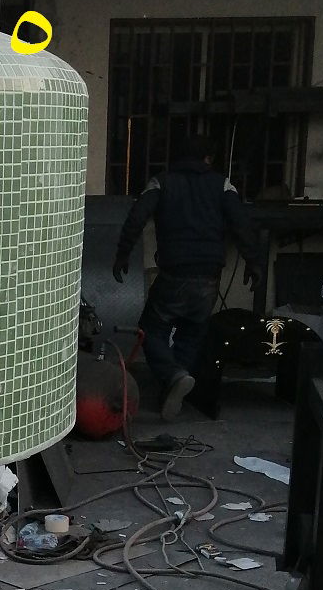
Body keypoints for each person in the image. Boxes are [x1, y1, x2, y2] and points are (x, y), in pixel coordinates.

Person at [112, 138, 263, 420]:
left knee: (151, 330)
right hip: (209, 275)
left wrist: (123, 254)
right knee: (192, 334)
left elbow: (137, 217)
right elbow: (241, 224)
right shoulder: (222, 184)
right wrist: (254, 262)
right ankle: (174, 383)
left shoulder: (161, 182)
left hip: (175, 273)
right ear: (208, 158)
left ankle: (173, 376)